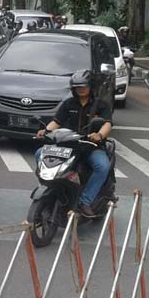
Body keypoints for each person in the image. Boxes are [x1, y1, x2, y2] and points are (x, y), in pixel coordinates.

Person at [36, 70, 112, 217]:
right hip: (68, 145)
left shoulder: (101, 105)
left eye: (84, 86)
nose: (81, 89)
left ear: (91, 87)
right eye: (77, 87)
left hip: (91, 146)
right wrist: (45, 131)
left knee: (102, 166)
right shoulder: (68, 104)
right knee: (40, 153)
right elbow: (56, 122)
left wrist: (99, 135)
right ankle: (48, 185)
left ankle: (85, 201)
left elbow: (107, 124)